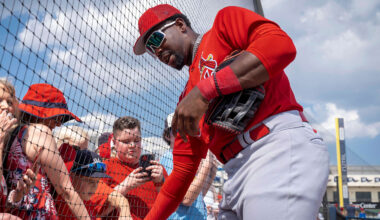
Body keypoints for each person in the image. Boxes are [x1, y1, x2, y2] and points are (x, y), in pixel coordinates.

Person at [133, 4, 329, 219]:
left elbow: (281, 46)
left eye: (155, 40)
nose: (156, 52)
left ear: (180, 25)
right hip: (236, 172)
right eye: (150, 52)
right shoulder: (186, 101)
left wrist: (205, 91)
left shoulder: (223, 25)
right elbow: (181, 173)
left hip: (276, 145)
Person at [4, 83, 90, 219]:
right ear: (41, 114)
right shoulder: (39, 132)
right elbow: (65, 189)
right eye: (58, 117)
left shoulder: (10, 134)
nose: (59, 124)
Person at [103, 116, 167, 219]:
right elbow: (99, 210)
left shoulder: (156, 168)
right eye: (126, 141)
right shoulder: (105, 168)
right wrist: (126, 186)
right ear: (114, 143)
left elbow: (172, 207)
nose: (132, 145)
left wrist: (160, 182)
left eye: (136, 140)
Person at [160, 113, 216, 220]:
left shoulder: (185, 159)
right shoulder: (170, 158)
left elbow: (198, 196)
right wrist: (207, 164)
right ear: (168, 135)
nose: (183, 134)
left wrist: (211, 170)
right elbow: (186, 198)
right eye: (177, 130)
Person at [55, 149, 131, 219]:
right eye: (90, 181)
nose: (94, 186)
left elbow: (119, 199)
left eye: (97, 181)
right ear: (73, 176)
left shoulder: (90, 196)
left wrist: (125, 213)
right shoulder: (61, 201)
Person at [0, 79, 36, 220]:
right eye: (0, 100)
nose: (6, 107)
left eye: (9, 102)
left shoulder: (9, 144)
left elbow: (4, 205)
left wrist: (18, 193)